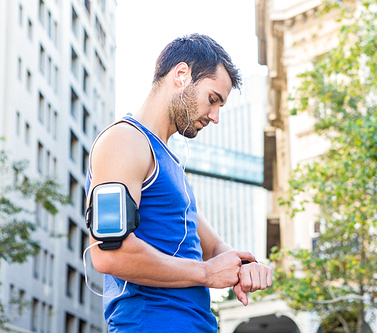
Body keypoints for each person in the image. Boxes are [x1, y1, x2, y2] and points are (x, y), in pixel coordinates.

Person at [85, 34, 273, 332]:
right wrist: (206, 274)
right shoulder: (125, 141)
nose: (215, 116)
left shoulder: (168, 163)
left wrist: (244, 267)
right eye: (213, 99)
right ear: (181, 75)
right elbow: (109, 253)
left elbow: (212, 247)